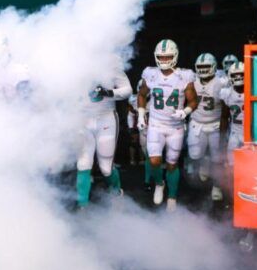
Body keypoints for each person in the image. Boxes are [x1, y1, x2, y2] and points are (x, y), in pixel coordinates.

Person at [137, 39, 198, 211]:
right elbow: (141, 95)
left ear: (175, 56)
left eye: (167, 56)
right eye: (161, 57)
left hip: (175, 127)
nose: (164, 60)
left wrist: (185, 111)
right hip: (156, 124)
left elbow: (194, 100)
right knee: (155, 160)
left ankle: (172, 195)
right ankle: (159, 183)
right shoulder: (150, 74)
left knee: (172, 164)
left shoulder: (184, 76)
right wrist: (141, 115)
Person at [76, 71, 131, 208]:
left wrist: (109, 93)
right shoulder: (73, 59)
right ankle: (82, 205)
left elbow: (128, 90)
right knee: (83, 163)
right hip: (83, 119)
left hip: (106, 119)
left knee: (106, 167)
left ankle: (117, 192)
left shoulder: (111, 62)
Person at [187, 53, 228, 201]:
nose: (203, 70)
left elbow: (225, 110)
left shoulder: (221, 83)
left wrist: (223, 130)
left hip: (215, 124)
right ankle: (204, 159)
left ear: (214, 67)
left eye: (206, 66)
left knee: (218, 159)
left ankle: (216, 186)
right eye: (200, 67)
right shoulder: (192, 81)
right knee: (195, 154)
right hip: (197, 123)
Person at [220, 61, 245, 166]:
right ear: (230, 76)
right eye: (235, 75)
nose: (238, 77)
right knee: (232, 165)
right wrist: (222, 138)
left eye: (241, 74)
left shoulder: (253, 91)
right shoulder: (226, 93)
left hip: (250, 134)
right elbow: (224, 117)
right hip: (234, 133)